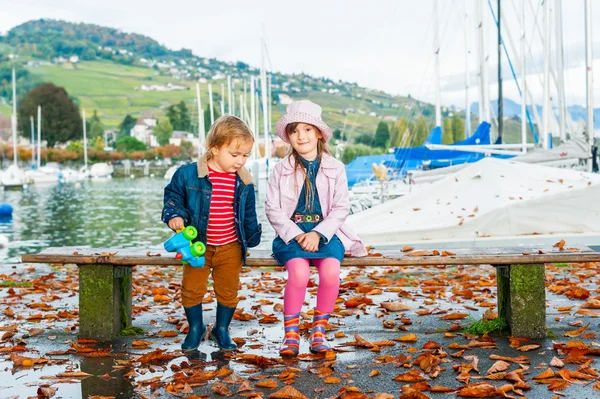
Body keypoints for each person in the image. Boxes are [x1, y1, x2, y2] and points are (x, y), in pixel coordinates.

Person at [265, 100, 367, 357]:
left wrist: (318, 233)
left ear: (319, 133)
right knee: (299, 273)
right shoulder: (280, 170)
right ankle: (291, 334)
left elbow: (341, 208)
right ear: (288, 136)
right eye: (295, 130)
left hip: (326, 233)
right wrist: (299, 234)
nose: (301, 135)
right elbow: (273, 210)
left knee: (331, 272)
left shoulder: (336, 167)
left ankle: (318, 331)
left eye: (308, 129)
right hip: (293, 233)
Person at [162, 116, 261, 352]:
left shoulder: (243, 180)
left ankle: (221, 329)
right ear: (214, 149)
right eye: (235, 155)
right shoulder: (188, 174)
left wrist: (252, 235)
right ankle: (195, 327)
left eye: (245, 155)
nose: (240, 161)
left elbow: (248, 212)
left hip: (230, 246)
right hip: (198, 245)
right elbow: (173, 197)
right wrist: (174, 215)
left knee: (228, 290)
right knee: (192, 288)